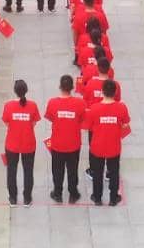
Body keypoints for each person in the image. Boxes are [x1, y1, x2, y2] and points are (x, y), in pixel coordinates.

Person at [83, 79, 130, 206]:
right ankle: (113, 198)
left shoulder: (94, 109)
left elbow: (88, 126)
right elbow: (125, 124)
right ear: (115, 92)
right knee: (114, 172)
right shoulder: (121, 108)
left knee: (97, 172)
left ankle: (97, 197)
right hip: (114, 146)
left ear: (102, 92)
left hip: (97, 146)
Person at [45, 74, 85, 203]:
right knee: (73, 170)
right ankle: (73, 194)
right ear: (72, 87)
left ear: (60, 87)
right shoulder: (80, 103)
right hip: (74, 144)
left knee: (57, 170)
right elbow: (82, 119)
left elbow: (51, 118)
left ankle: (57, 193)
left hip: (57, 144)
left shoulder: (52, 103)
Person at [2, 79, 41, 206]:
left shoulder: (8, 106)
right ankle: (27, 198)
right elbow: (33, 123)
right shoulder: (33, 105)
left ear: (15, 91)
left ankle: (13, 198)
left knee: (11, 172)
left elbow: (7, 122)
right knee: (28, 171)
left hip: (12, 144)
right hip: (28, 143)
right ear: (26, 91)